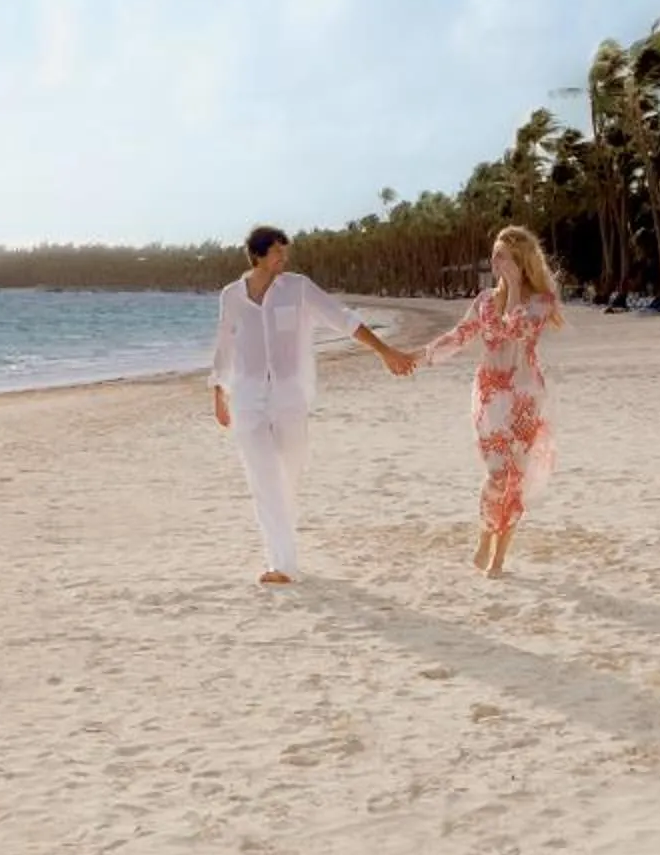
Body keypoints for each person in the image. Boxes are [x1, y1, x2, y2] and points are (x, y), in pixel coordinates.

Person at [211, 226, 410, 585]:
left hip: (289, 397)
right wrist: (218, 392)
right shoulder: (231, 296)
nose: (283, 260)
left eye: (285, 253)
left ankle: (283, 552)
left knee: (288, 476)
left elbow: (343, 318)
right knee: (264, 478)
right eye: (277, 253)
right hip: (247, 398)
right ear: (257, 256)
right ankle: (282, 564)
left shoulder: (298, 288)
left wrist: (384, 350)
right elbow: (225, 345)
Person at [407, 225, 562, 577]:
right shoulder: (484, 301)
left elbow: (514, 328)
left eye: (502, 255)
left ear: (520, 261)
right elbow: (460, 336)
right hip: (490, 397)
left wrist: (515, 290)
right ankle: (483, 539)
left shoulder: (541, 301)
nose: (495, 261)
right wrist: (420, 356)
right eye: (494, 254)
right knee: (497, 474)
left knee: (516, 478)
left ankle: (499, 559)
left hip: (524, 397)